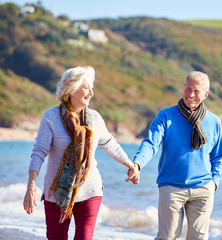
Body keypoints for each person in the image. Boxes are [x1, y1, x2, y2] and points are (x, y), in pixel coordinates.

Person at [23, 66, 139, 240]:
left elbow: (109, 144)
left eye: (92, 88)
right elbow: (39, 151)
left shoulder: (95, 118)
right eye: (86, 87)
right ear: (71, 89)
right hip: (57, 193)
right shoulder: (50, 117)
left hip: (90, 189)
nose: (91, 93)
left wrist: (131, 165)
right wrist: (31, 184)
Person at [130, 71, 222, 240]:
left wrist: (214, 182)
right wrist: (137, 164)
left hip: (203, 188)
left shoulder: (214, 121)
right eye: (188, 89)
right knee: (167, 237)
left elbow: (218, 156)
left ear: (206, 94)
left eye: (196, 91)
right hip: (171, 187)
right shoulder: (166, 116)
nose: (191, 94)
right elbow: (151, 143)